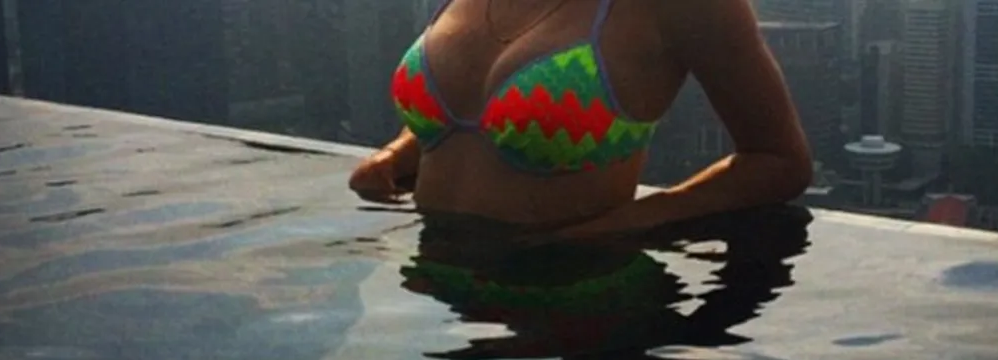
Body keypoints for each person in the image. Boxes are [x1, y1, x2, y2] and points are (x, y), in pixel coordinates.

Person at [348, 0, 813, 237]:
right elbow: (470, 108)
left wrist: (631, 223)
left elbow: (779, 162)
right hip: (433, 308)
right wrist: (397, 154)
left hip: (579, 313)